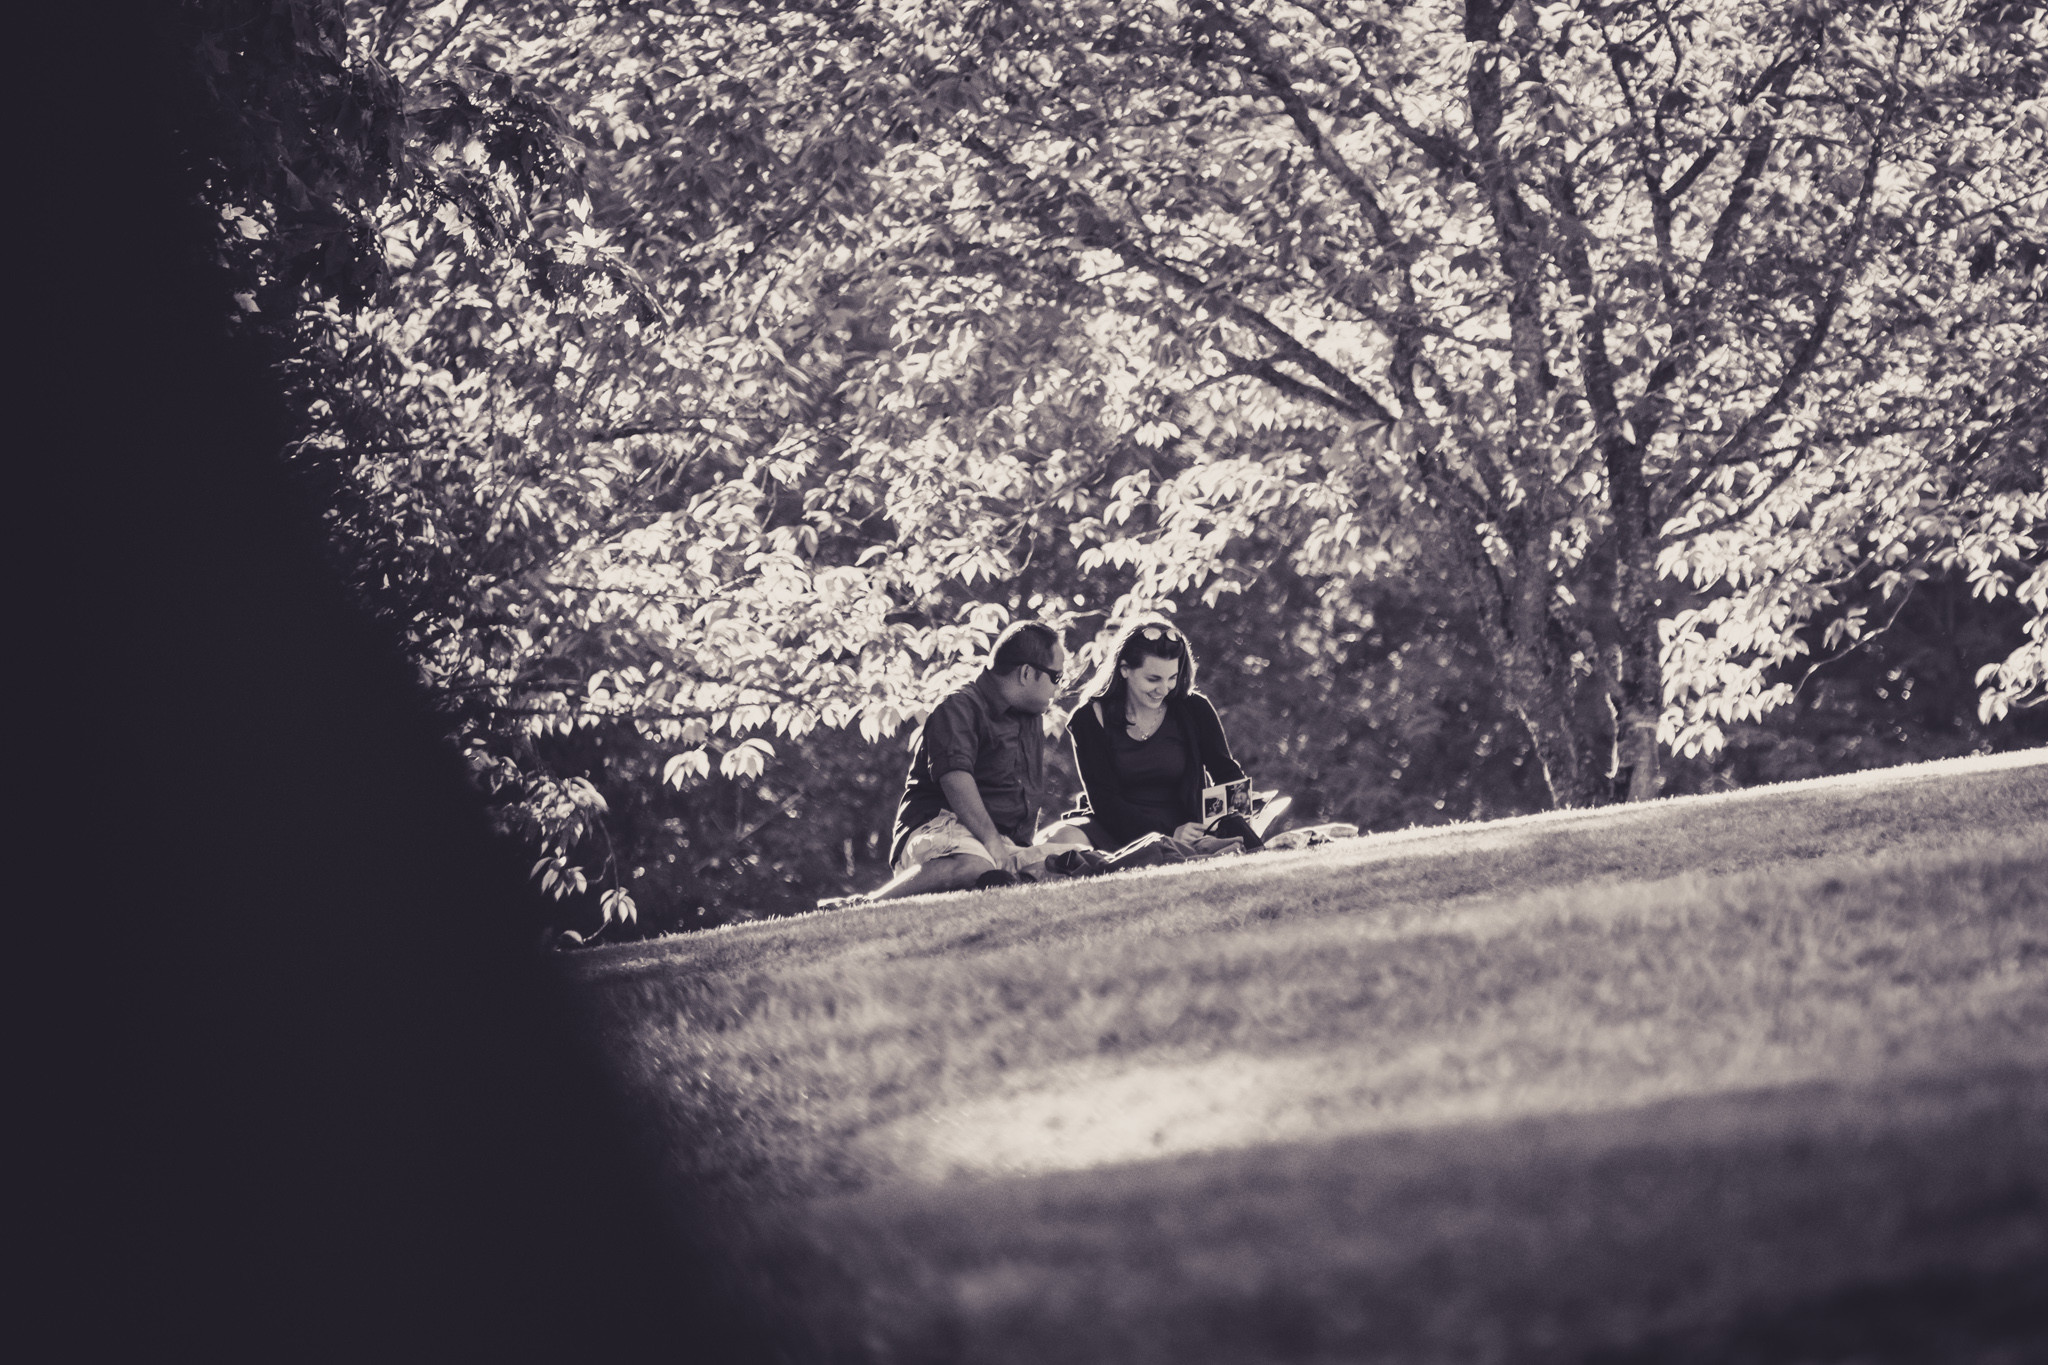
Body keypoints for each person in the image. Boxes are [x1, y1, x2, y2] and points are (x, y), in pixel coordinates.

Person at [860, 620, 1069, 902]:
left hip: (998, 844)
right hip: (939, 830)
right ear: (1026, 673)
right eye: (1057, 677)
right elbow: (955, 779)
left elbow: (1026, 798)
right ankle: (870, 903)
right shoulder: (958, 706)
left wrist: (1012, 852)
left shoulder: (1030, 717)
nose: (1059, 688)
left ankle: (999, 880)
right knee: (975, 865)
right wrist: (993, 844)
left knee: (1075, 860)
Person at [1040, 619, 1260, 853]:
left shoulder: (1195, 708)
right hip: (1115, 826)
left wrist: (1230, 823)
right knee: (1062, 841)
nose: (1163, 689)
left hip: (1187, 826)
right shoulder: (1089, 718)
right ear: (1124, 669)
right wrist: (1167, 835)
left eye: (1172, 678)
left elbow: (1227, 773)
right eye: (1153, 679)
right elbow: (1105, 800)